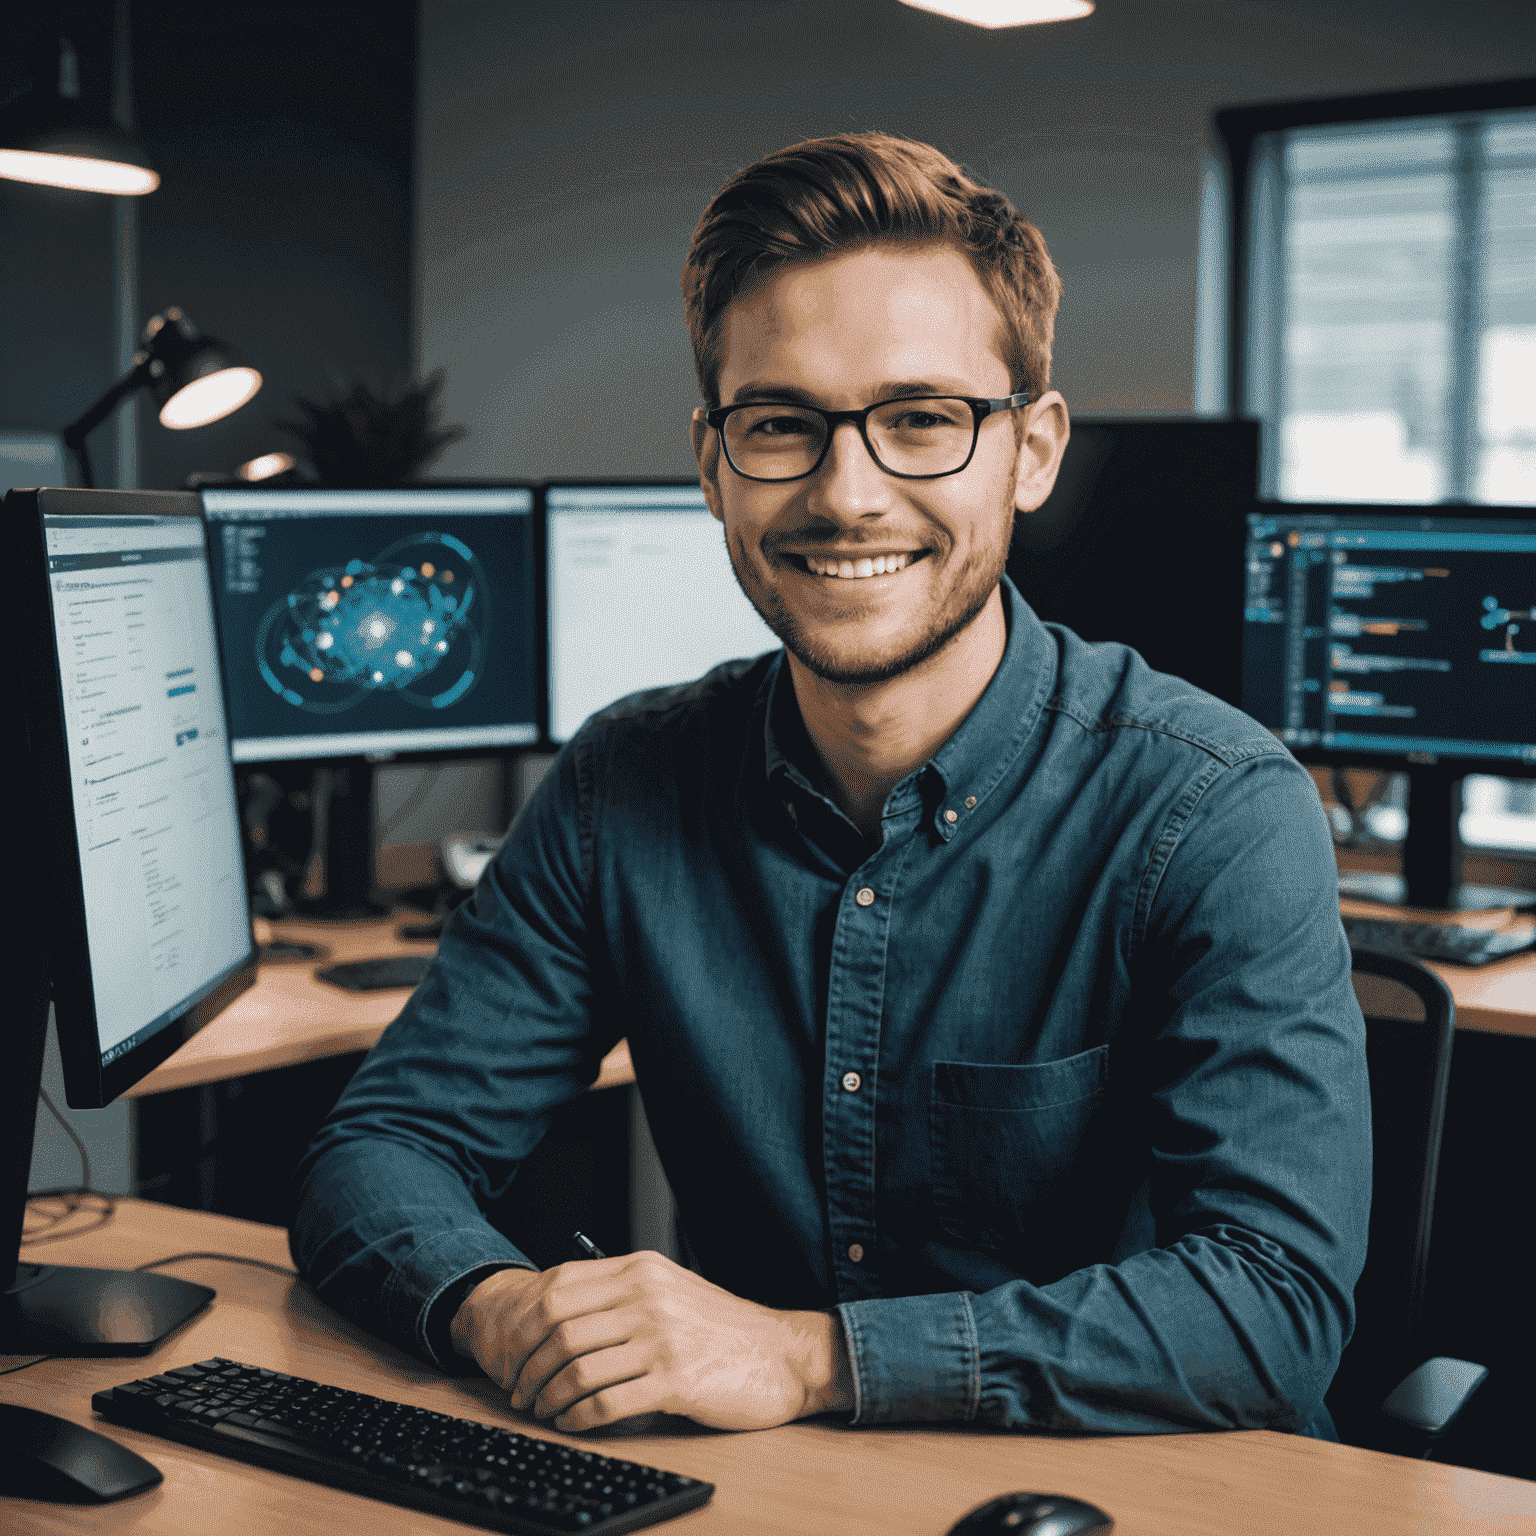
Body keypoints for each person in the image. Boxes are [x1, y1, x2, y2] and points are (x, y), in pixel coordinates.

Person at [292, 131, 1370, 1440]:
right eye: (781, 425)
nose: (846, 493)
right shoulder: (624, 786)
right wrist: (495, 1304)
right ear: (712, 464)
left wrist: (809, 1359)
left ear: (1032, 451)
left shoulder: (1213, 807)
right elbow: (379, 1150)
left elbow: (1271, 1302)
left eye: (922, 419)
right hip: (760, 1498)